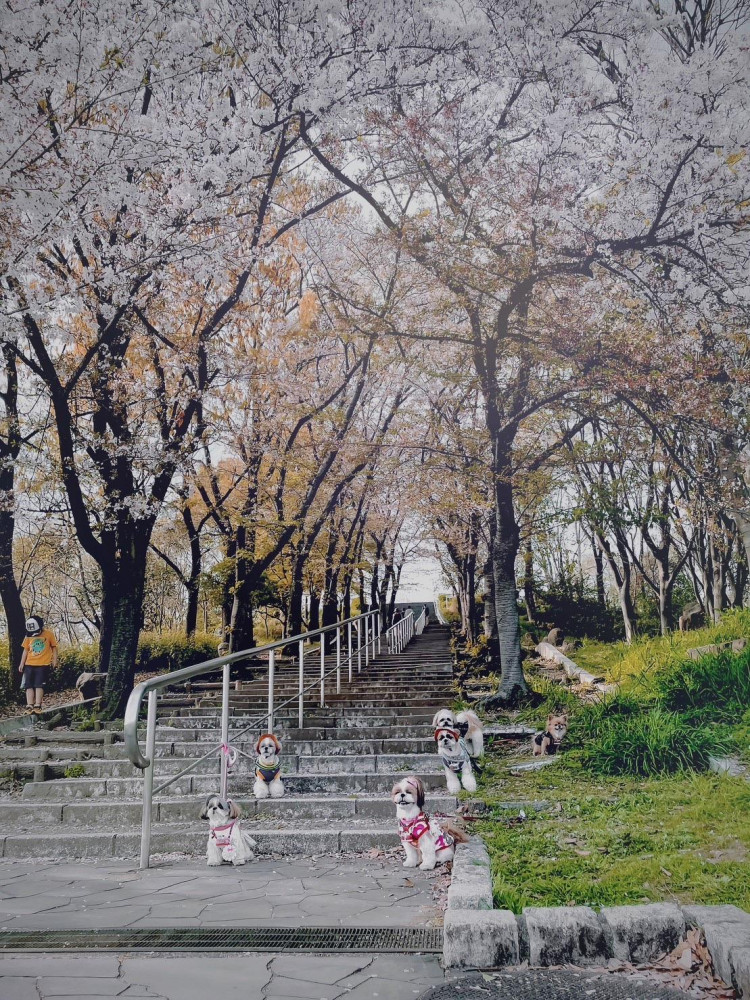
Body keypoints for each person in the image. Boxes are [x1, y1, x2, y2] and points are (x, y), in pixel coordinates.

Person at [18, 615, 58, 715]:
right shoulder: (28, 636)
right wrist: (22, 663)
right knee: (28, 686)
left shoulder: (48, 634)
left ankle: (37, 705)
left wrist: (54, 660)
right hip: (29, 664)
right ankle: (29, 705)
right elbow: (26, 649)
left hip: (43, 664)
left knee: (39, 685)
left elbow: (54, 647)